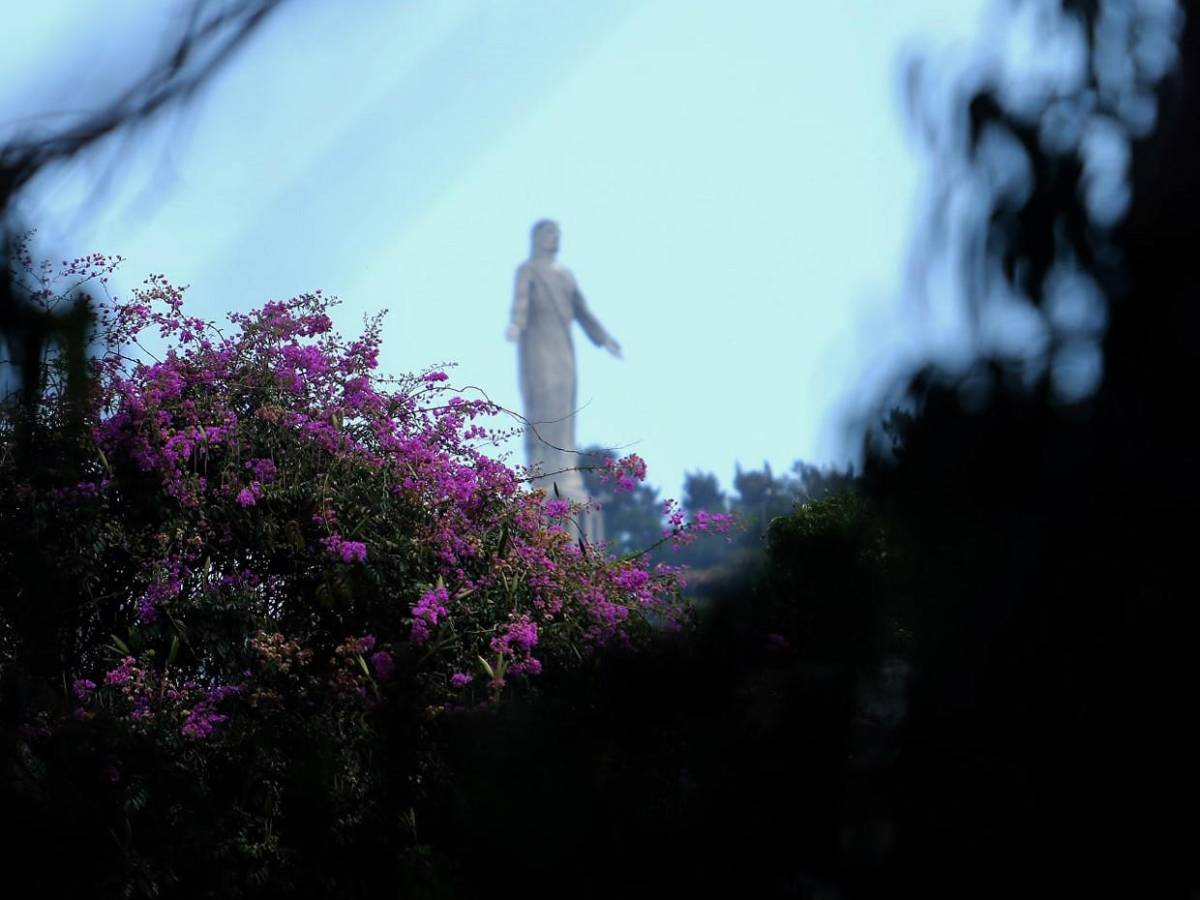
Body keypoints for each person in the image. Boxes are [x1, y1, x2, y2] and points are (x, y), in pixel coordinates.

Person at [506, 219, 621, 529]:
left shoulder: (566, 276)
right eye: (548, 233)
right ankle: (542, 473)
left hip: (563, 350)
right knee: (542, 409)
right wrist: (516, 324)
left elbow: (583, 312)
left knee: (565, 411)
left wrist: (604, 338)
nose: (554, 238)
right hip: (537, 347)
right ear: (536, 238)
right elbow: (520, 303)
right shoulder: (528, 270)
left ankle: (566, 472)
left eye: (557, 233)